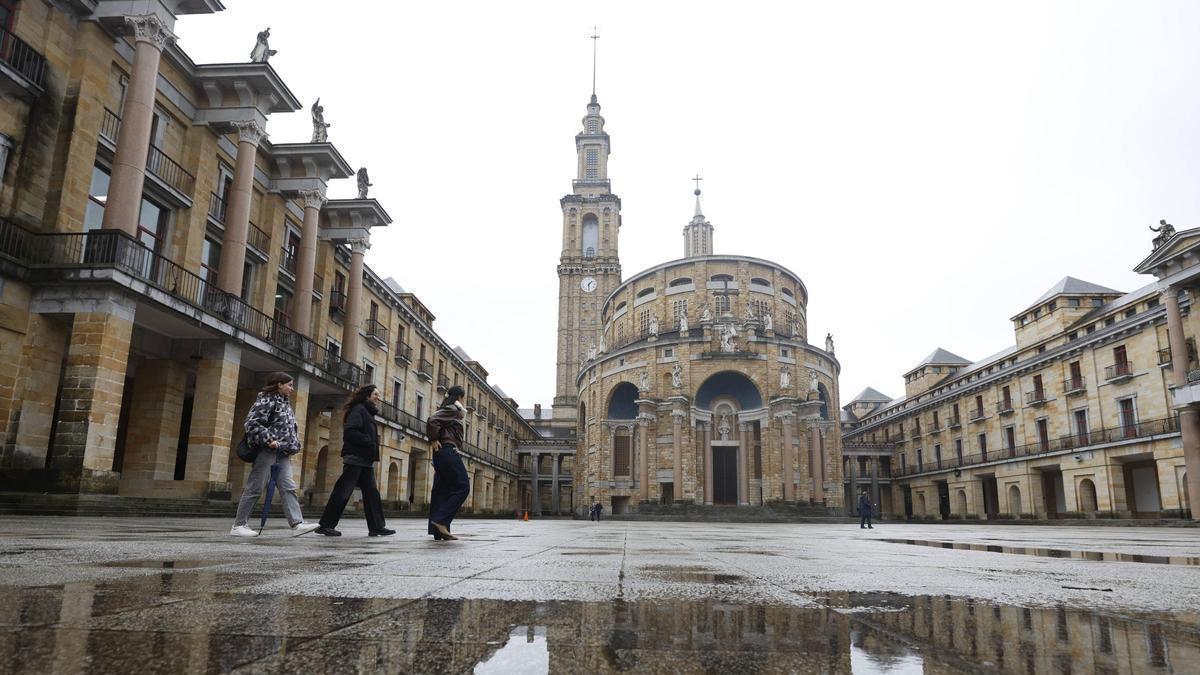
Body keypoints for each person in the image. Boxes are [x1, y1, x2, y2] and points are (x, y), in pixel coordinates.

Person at [230, 372, 318, 537]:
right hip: (268, 450)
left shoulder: (286, 404)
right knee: (255, 486)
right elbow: (252, 422)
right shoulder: (267, 399)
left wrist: (294, 444)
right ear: (279, 384)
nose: (292, 389)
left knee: (288, 487)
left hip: (282, 452)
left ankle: (297, 523)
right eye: (290, 385)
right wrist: (269, 439)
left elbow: (290, 428)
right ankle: (238, 525)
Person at [315, 385, 393, 537]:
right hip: (356, 458)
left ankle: (376, 527)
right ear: (367, 396)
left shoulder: (367, 412)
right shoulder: (358, 410)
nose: (378, 397)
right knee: (343, 492)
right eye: (375, 394)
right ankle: (325, 525)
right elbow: (351, 432)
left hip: (365, 461)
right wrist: (369, 441)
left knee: (372, 495)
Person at [425, 385, 470, 541]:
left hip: (442, 452)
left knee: (441, 489)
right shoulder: (453, 409)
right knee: (463, 486)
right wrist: (434, 439)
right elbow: (432, 420)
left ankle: (438, 530)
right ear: (460, 398)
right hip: (447, 450)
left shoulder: (449, 409)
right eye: (463, 398)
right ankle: (441, 520)